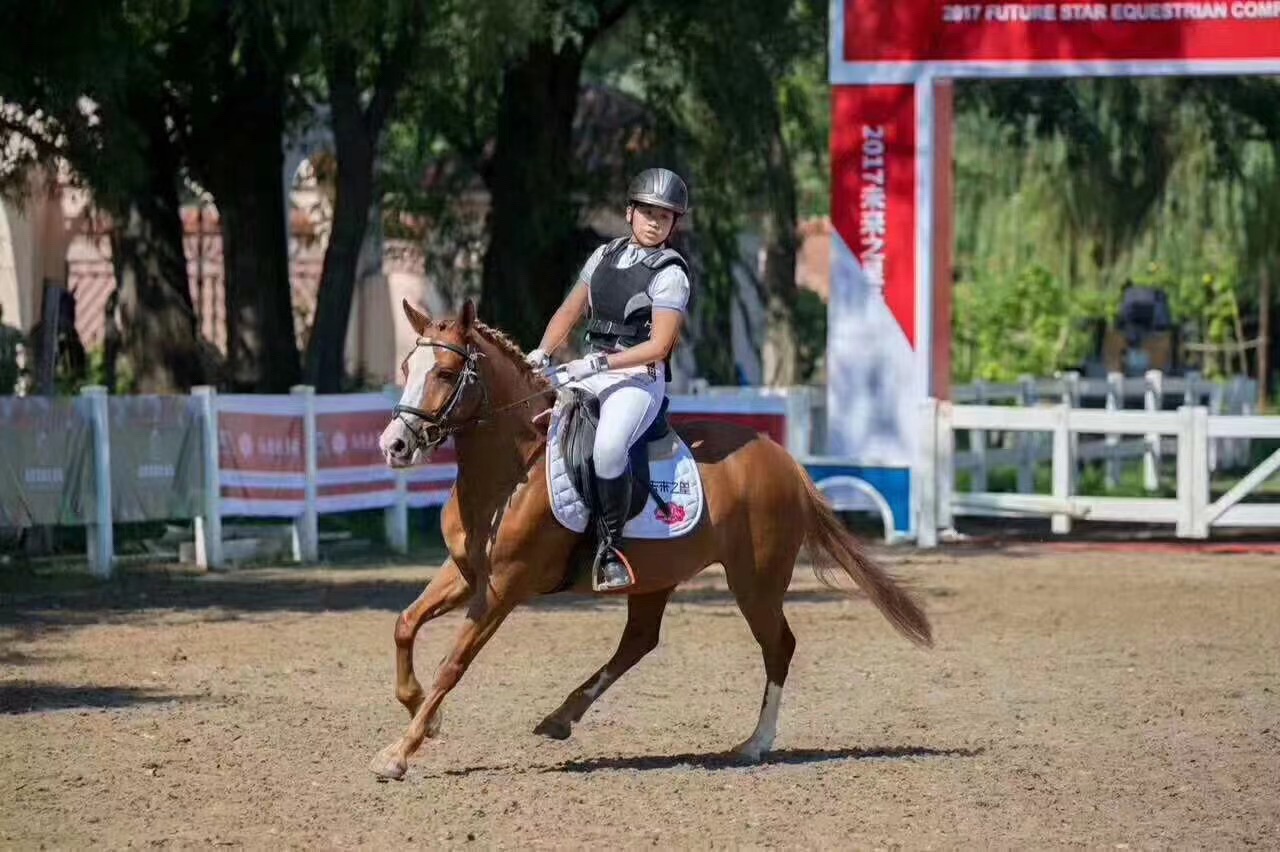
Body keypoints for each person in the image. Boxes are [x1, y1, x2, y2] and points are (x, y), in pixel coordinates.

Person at [526, 168, 691, 592]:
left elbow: (660, 345)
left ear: (674, 224)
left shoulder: (671, 273)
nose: (655, 222)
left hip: (638, 379)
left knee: (608, 447)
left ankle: (611, 549)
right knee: (539, 426)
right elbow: (569, 312)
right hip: (589, 369)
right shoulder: (603, 256)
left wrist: (599, 365)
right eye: (648, 212)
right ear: (629, 211)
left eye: (666, 216)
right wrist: (543, 351)